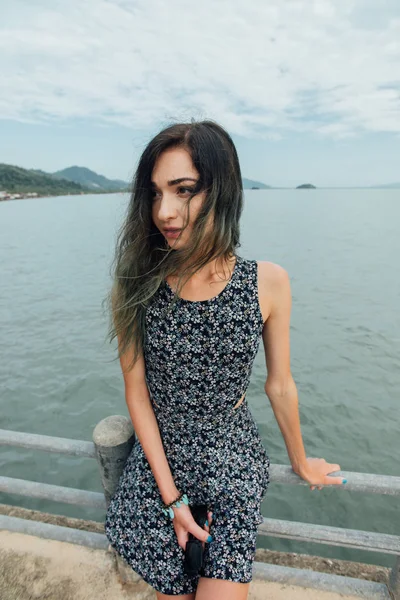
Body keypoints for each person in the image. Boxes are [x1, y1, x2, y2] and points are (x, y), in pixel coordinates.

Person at [104, 119, 346, 600]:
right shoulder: (136, 286)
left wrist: (300, 461)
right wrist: (172, 498)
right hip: (161, 462)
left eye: (184, 190)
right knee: (172, 590)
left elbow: (279, 385)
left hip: (230, 453)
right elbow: (138, 397)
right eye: (154, 194)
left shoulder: (267, 282)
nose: (165, 211)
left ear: (223, 190)